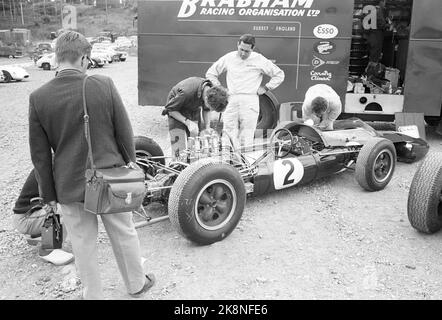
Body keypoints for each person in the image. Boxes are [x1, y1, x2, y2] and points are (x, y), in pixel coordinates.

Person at [28, 31, 154, 300]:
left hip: (69, 185)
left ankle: (92, 295)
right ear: (84, 59)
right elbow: (124, 132)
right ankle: (135, 284)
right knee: (123, 233)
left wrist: (48, 196)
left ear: (57, 56)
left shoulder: (38, 98)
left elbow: (39, 156)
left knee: (83, 245)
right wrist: (131, 166)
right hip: (111, 179)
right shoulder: (103, 85)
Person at [206, 34, 285, 150]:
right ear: (237, 45)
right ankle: (227, 162)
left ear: (252, 49)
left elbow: (279, 74)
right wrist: (220, 89)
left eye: (247, 51)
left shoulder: (259, 59)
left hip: (250, 99)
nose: (243, 53)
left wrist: (266, 88)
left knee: (247, 135)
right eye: (241, 50)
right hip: (231, 98)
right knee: (228, 132)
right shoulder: (229, 57)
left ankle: (245, 164)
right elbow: (211, 73)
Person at [13, 169, 74, 266]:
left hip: (32, 214)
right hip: (26, 219)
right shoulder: (53, 167)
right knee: (66, 209)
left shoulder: (50, 163)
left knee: (64, 205)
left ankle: (40, 234)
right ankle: (49, 250)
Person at [161, 77, 228, 158]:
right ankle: (177, 162)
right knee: (178, 142)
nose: (210, 110)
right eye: (211, 108)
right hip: (176, 108)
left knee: (196, 139)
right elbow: (170, 110)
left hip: (193, 106)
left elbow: (206, 110)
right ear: (206, 99)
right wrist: (187, 122)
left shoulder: (211, 91)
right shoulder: (186, 93)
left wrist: (207, 127)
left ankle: (193, 161)